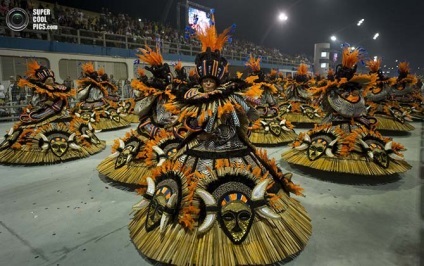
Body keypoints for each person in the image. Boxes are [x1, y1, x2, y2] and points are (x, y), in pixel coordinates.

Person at [129, 13, 311, 265]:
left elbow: (252, 115)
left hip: (235, 151)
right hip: (198, 152)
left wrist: (246, 105)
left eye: (210, 80)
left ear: (219, 79)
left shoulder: (235, 96)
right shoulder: (189, 98)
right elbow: (181, 123)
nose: (206, 84)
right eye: (203, 79)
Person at [282, 47, 411, 175]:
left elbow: (337, 108)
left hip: (351, 124)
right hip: (337, 124)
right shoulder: (338, 92)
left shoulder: (337, 93)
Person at [0, 61, 105, 165]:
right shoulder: (38, 89)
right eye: (48, 79)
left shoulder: (60, 88)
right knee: (33, 118)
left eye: (51, 78)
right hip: (42, 111)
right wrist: (45, 103)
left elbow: (65, 100)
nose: (50, 80)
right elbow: (34, 102)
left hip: (59, 112)